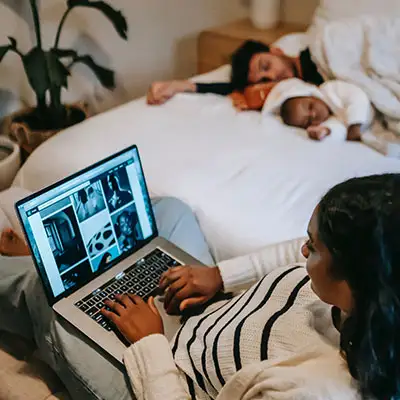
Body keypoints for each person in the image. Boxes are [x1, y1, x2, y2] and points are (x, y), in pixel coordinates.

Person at [1, 175, 400, 399]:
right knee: (172, 208)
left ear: (355, 274)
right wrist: (219, 276)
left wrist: (150, 342)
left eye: (313, 247)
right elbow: (287, 254)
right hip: (210, 311)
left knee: (48, 291)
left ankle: (29, 266)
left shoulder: (311, 390)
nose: (300, 250)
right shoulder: (379, 293)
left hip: (167, 375)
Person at [147, 40, 324, 107]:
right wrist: (182, 85)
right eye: (263, 80)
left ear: (276, 50)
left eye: (266, 66)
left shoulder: (321, 52)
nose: (271, 77)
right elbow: (233, 88)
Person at [261, 78, 374, 142]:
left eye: (311, 106)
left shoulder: (332, 89)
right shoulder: (328, 119)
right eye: (308, 121)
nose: (314, 114)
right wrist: (325, 131)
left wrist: (355, 124)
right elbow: (339, 129)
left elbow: (357, 96)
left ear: (311, 95)